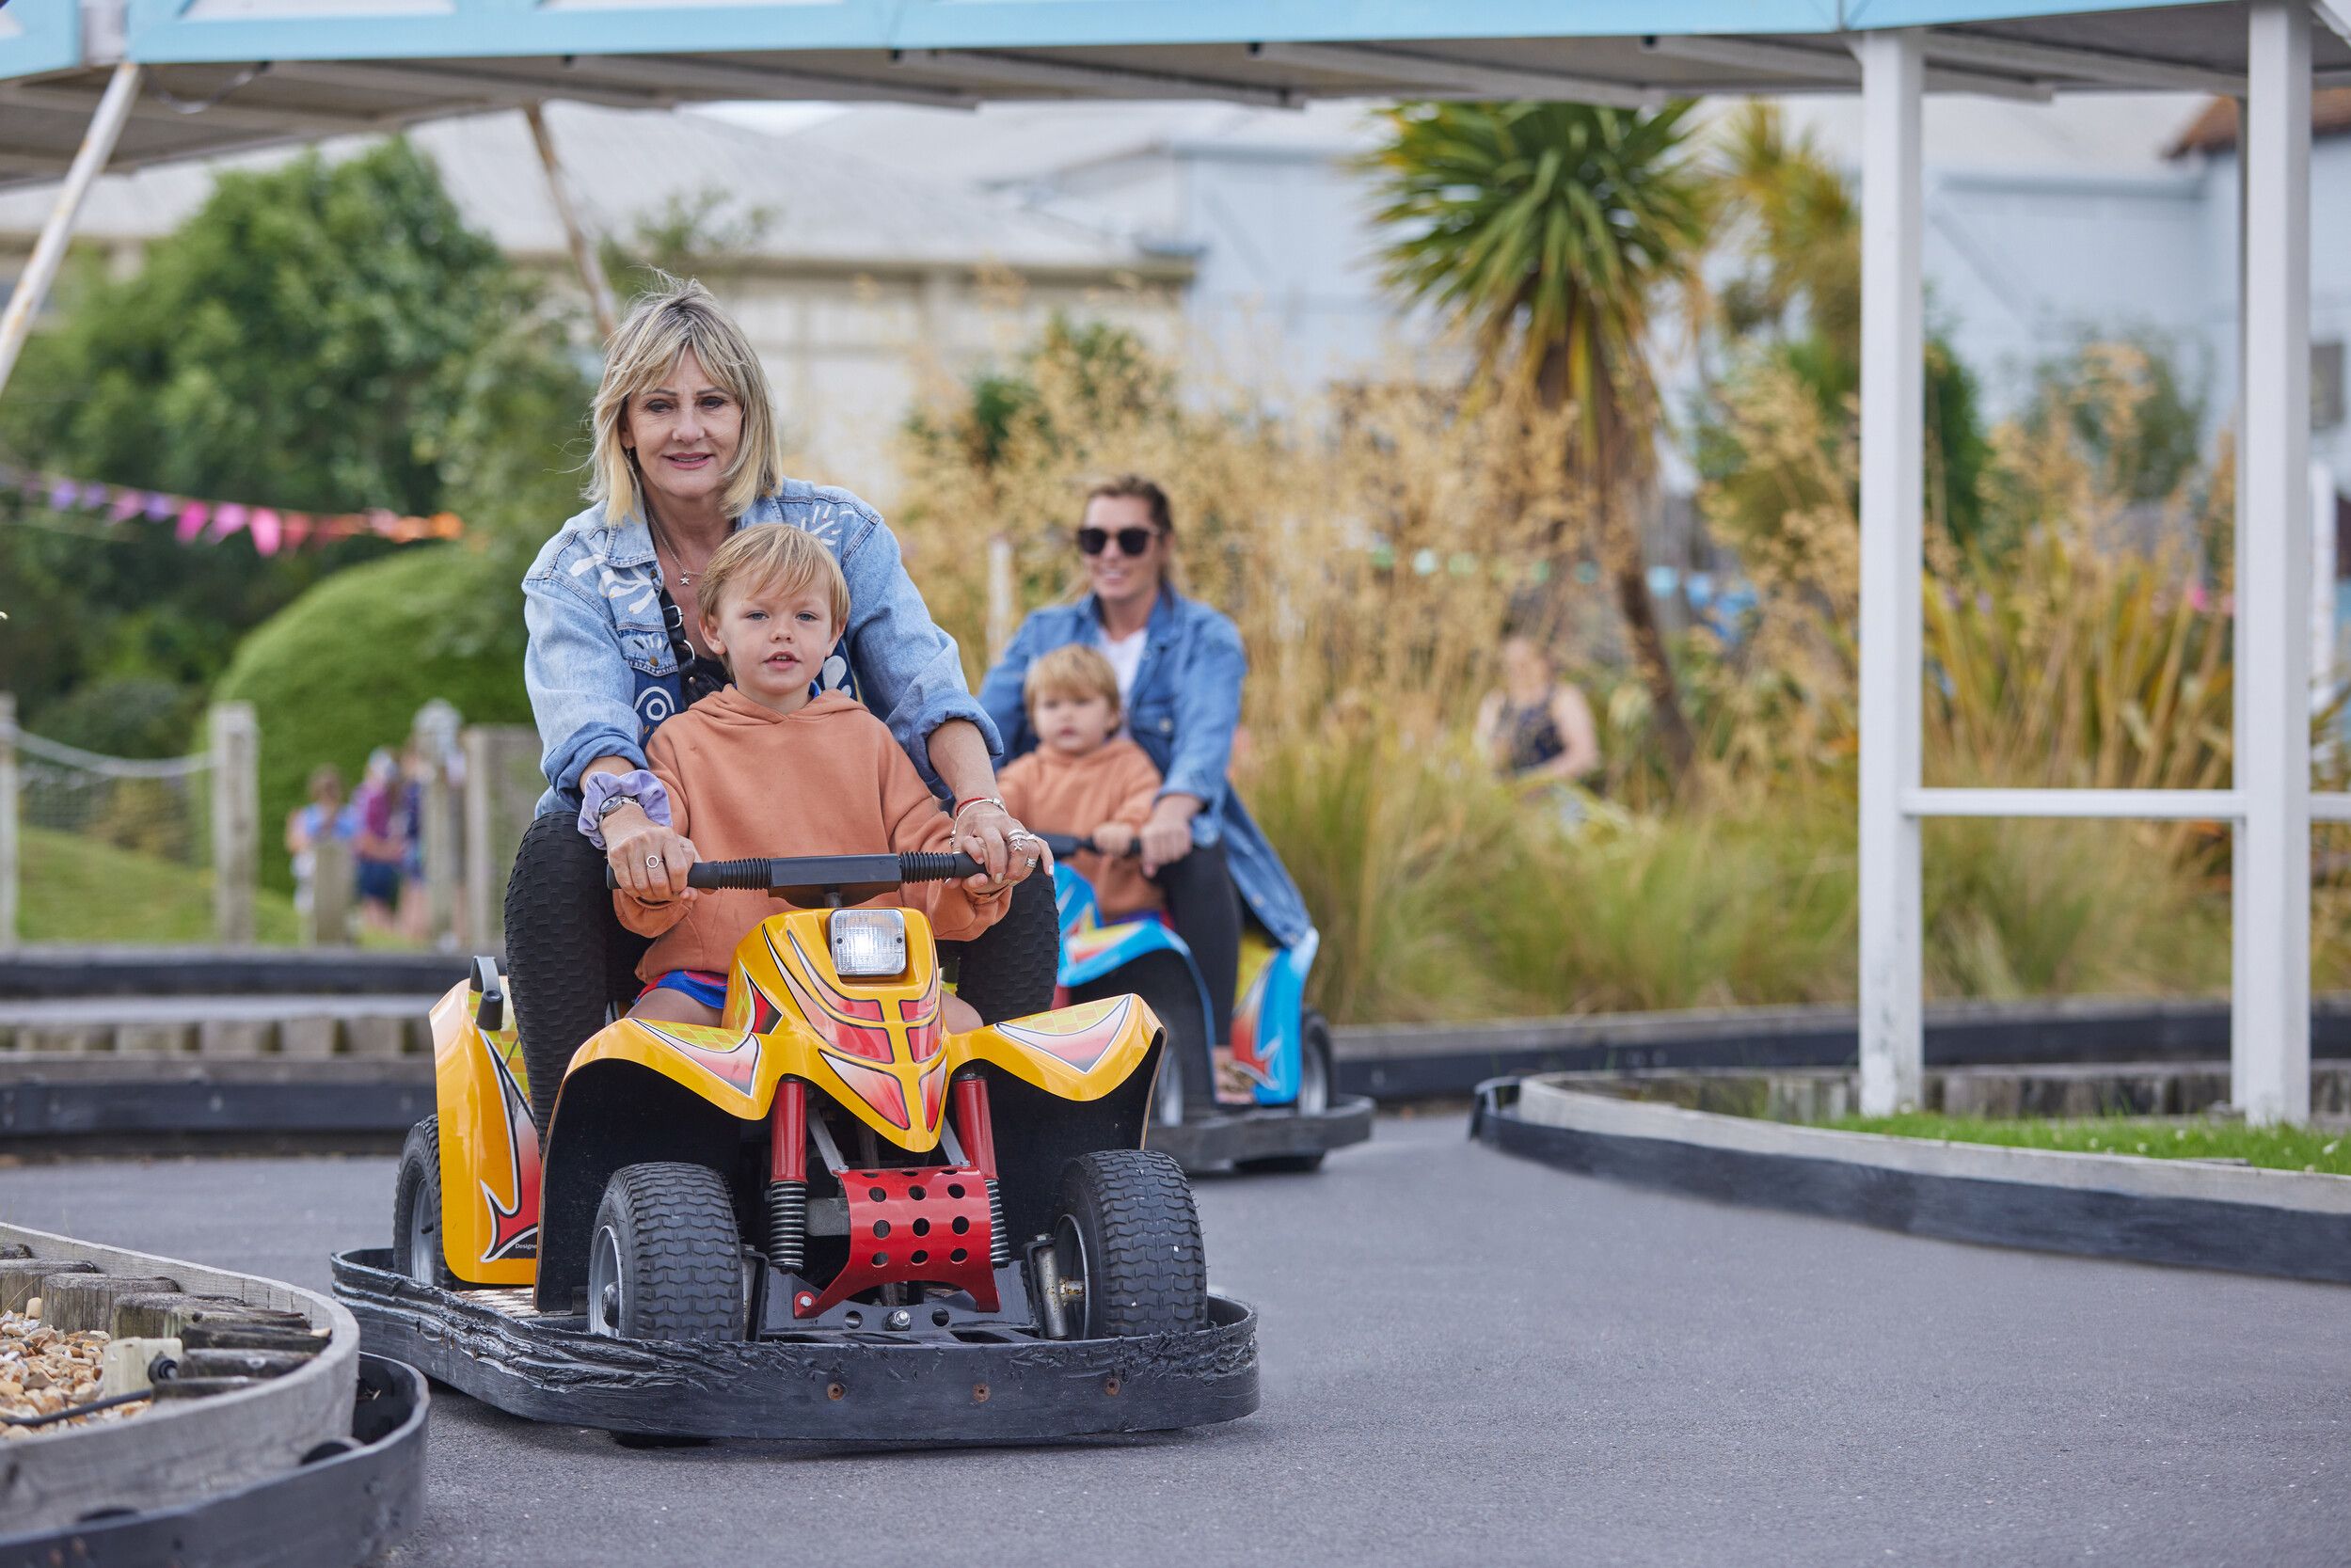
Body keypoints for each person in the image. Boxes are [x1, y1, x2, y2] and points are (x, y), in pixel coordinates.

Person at [519, 276, 1049, 1133]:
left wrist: (984, 812)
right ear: (624, 424)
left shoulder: (840, 530)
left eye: (712, 403)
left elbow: (925, 689)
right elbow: (590, 725)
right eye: (659, 406)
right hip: (681, 864)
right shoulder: (573, 568)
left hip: (843, 864)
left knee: (1011, 854)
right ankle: (578, 1137)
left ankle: (1014, 1153)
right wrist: (630, 827)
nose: (688, 429)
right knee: (556, 838)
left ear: (747, 415)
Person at [979, 475, 1311, 1094]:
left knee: (1199, 849)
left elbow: (1203, 743)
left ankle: (1211, 1051)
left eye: (1130, 539)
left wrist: (1168, 814)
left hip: (1147, 833)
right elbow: (985, 726)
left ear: (1163, 545)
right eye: (1093, 537)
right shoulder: (1046, 631)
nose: (1110, 553)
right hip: (1052, 826)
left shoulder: (1203, 635)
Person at [614, 527, 1009, 1029]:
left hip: (866, 979)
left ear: (832, 633)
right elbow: (656, 856)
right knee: (650, 1035)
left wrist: (974, 876)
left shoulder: (869, 738)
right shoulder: (677, 742)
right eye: (758, 615)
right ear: (714, 631)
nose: (783, 632)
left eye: (805, 616)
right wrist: (656, 871)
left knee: (969, 1031)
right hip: (717, 978)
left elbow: (926, 854)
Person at [996, 645, 1164, 920]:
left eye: (1081, 702)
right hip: (1050, 914)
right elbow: (998, 805)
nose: (1066, 714)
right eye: (1052, 705)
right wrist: (992, 822)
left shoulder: (1129, 762)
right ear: (1034, 720)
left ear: (1112, 714)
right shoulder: (1026, 772)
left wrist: (1127, 826)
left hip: (1120, 912)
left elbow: (1145, 798)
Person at [1473, 635, 1601, 800]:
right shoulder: (1495, 702)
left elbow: (1585, 754)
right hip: (1505, 793)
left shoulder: (1563, 698)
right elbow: (1481, 752)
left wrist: (1540, 780)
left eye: (1525, 663)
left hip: (1555, 794)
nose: (1519, 671)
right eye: (1511, 665)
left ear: (1544, 662)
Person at [350, 748, 408, 937]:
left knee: (373, 907)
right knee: (376, 906)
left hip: (374, 861)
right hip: (381, 859)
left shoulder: (371, 795)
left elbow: (365, 835)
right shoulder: (384, 796)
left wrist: (384, 852)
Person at [285, 764, 351, 917]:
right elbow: (294, 844)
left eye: (332, 789)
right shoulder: (305, 815)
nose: (329, 794)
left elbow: (356, 844)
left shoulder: (348, 815)